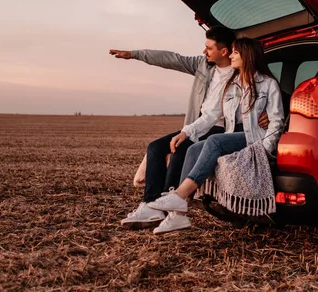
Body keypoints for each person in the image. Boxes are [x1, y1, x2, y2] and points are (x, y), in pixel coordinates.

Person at [110, 27, 269, 229]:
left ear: (225, 51)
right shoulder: (203, 65)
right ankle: (150, 205)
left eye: (209, 48)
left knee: (180, 150)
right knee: (156, 148)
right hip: (200, 124)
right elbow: (171, 59)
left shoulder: (241, 75)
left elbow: (268, 92)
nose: (204, 51)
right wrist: (134, 55)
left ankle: (169, 206)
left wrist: (267, 115)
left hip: (221, 128)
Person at [147, 37, 285, 233]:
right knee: (193, 149)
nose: (232, 55)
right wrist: (186, 132)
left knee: (214, 141)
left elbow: (276, 121)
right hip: (235, 134)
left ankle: (180, 195)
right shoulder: (232, 84)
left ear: (247, 55)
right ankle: (178, 216)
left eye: (236, 52)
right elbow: (211, 115)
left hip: (256, 138)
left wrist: (263, 149)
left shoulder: (268, 84)